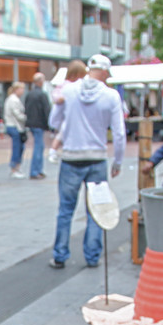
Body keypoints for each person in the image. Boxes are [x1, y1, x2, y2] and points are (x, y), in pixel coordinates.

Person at [46, 53, 125, 269]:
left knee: (65, 210)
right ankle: (92, 256)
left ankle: (60, 255)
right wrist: (117, 162)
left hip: (71, 158)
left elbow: (53, 120)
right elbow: (119, 133)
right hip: (97, 160)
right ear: (105, 72)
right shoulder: (111, 96)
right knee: (96, 210)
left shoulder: (69, 90)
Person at [48, 60, 86, 164]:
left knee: (63, 134)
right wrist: (61, 98)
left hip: (69, 116)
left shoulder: (71, 85)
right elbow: (56, 96)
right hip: (67, 116)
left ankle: (55, 151)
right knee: (62, 133)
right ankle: (53, 151)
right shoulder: (66, 86)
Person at [24, 72, 51, 179]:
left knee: (38, 146)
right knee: (39, 147)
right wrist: (49, 125)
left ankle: (37, 170)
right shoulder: (42, 94)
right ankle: (35, 171)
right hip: (39, 123)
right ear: (40, 82)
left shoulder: (29, 94)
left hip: (31, 123)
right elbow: (46, 110)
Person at [3, 81, 27, 179]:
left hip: (14, 126)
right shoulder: (14, 100)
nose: (23, 91)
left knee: (19, 147)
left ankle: (16, 167)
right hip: (15, 126)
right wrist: (27, 118)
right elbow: (17, 114)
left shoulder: (12, 99)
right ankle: (14, 168)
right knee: (17, 147)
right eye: (21, 89)